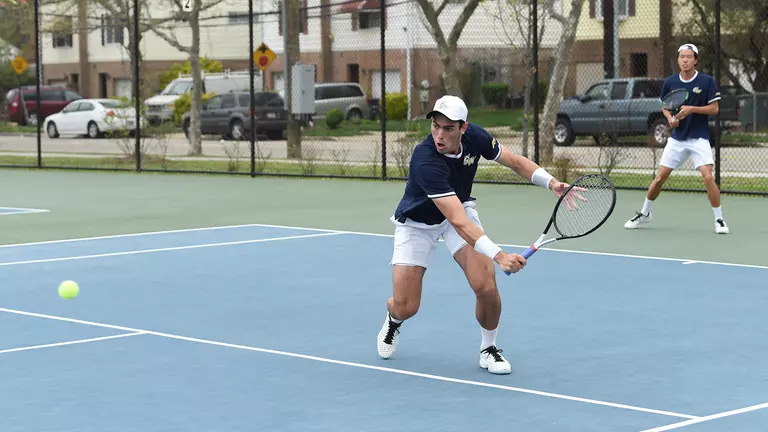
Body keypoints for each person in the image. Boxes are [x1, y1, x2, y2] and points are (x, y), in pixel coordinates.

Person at [377, 95, 572, 375]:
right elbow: (458, 222)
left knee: (486, 286)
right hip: (418, 223)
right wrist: (500, 255)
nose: (439, 135)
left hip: (460, 208)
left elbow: (515, 161)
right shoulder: (425, 158)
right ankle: (393, 318)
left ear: (463, 128)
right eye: (435, 126)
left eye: (448, 129)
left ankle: (488, 349)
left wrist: (551, 182)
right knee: (407, 306)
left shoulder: (476, 137)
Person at [624, 43, 729, 234]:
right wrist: (670, 118)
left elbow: (714, 109)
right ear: (678, 59)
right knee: (659, 178)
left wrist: (692, 110)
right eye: (682, 57)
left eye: (689, 57)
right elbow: (665, 106)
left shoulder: (707, 81)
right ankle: (645, 213)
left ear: (695, 60)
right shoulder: (671, 82)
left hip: (699, 138)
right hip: (677, 140)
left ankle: (719, 220)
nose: (685, 60)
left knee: (708, 177)